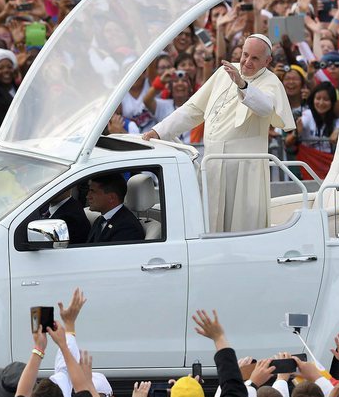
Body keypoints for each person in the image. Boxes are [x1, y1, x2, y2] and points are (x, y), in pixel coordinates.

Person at [144, 34, 294, 232]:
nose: (247, 62)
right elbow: (193, 109)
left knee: (240, 226)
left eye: (255, 58)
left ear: (268, 61)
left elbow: (266, 108)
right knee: (209, 223)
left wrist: (242, 84)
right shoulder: (224, 72)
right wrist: (159, 130)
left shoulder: (270, 81)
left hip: (244, 169)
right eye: (245, 55)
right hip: (213, 163)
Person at [84, 173, 144, 244]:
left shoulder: (127, 228)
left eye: (93, 191)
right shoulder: (101, 220)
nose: (88, 196)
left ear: (111, 197)